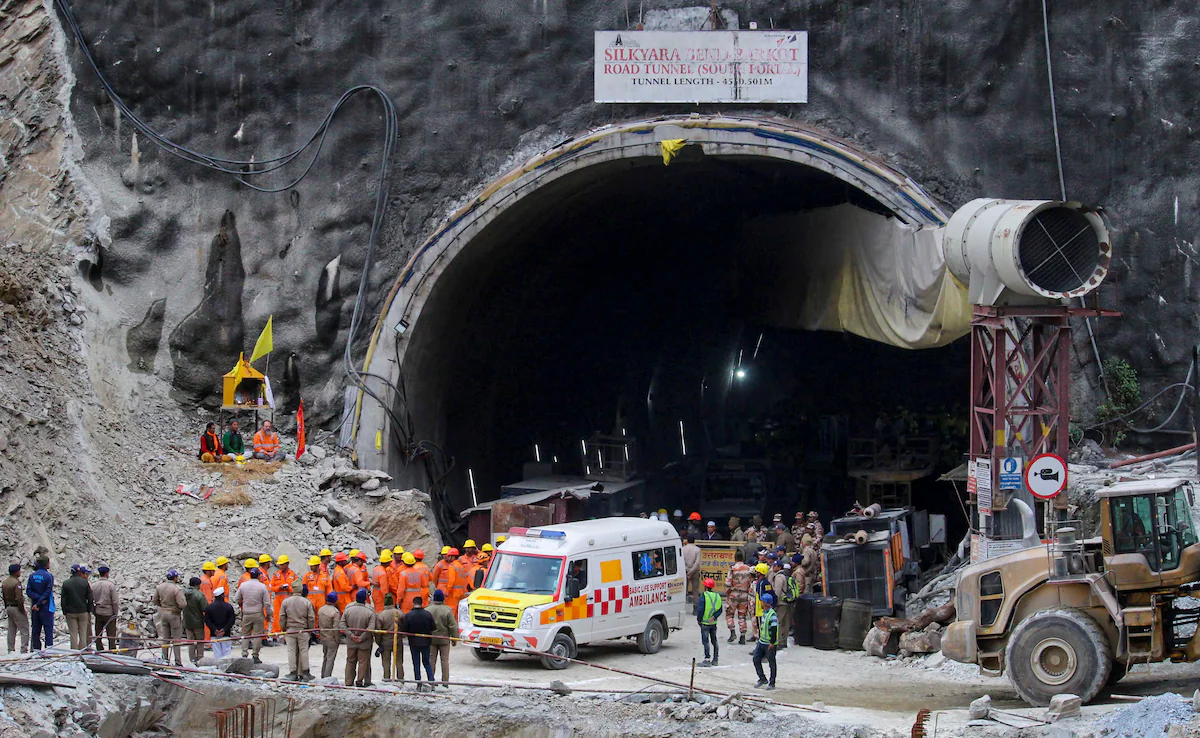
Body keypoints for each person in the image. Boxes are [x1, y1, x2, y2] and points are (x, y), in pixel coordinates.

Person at [280, 583, 316, 681]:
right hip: (303, 630)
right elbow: (311, 618)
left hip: (290, 630)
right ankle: (305, 672)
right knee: (303, 651)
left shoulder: (286, 601)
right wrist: (310, 629)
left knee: (291, 651)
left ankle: (292, 672)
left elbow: (282, 617)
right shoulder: (306, 602)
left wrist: (283, 628)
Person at [341, 589, 376, 687]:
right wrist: (361, 637)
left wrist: (351, 636)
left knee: (350, 661)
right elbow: (371, 628)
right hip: (364, 643)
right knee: (363, 662)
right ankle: (360, 681)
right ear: (365, 599)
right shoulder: (369, 611)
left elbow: (342, 625)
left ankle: (348, 681)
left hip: (351, 642)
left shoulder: (348, 610)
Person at [235, 568, 272, 662]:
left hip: (246, 613)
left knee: (245, 634)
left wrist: (242, 604)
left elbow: (237, 598)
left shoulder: (243, 585)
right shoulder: (262, 586)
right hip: (258, 613)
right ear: (259, 575)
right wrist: (269, 614)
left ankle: (244, 654)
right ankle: (255, 655)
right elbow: (267, 603)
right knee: (257, 635)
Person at [152, 570, 187, 665]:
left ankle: (164, 659)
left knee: (165, 639)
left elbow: (154, 600)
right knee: (176, 639)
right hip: (174, 614)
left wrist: (162, 606)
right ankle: (178, 661)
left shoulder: (160, 587)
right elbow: (183, 604)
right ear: (175, 578)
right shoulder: (176, 589)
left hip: (163, 614)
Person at [427, 589, 459, 687]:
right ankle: (445, 682)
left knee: (431, 660)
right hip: (444, 639)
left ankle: (431, 681)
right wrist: (454, 638)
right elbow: (453, 626)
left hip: (431, 639)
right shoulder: (447, 610)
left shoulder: (428, 610)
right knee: (444, 661)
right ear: (443, 598)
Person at [405, 595, 436, 691]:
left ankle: (418, 682)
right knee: (427, 662)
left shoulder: (409, 615)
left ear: (413, 603)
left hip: (413, 642)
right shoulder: (427, 614)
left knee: (416, 663)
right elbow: (433, 627)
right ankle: (431, 681)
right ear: (422, 603)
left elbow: (405, 630)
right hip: (426, 642)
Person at [62, 564, 93, 651]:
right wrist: (88, 610)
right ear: (79, 572)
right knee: (83, 633)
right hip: (83, 611)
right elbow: (90, 598)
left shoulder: (66, 583)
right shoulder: (85, 582)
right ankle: (82, 651)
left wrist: (65, 611)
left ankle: (74, 653)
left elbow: (63, 599)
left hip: (71, 612)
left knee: (73, 634)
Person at [724, 550, 753, 644]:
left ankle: (732, 632)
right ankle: (742, 636)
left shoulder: (732, 569)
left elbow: (728, 583)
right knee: (742, 616)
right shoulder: (748, 569)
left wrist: (728, 593)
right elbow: (751, 582)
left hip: (734, 594)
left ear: (735, 558)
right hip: (745, 594)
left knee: (729, 614)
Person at [26, 557, 55, 650]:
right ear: (45, 564)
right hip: (46, 606)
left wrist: (36, 602)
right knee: (48, 630)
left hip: (34, 607)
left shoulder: (32, 576)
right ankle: (48, 650)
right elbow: (47, 592)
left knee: (36, 630)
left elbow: (29, 591)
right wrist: (40, 601)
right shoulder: (48, 576)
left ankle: (36, 650)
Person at [374, 593, 404, 682]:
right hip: (397, 641)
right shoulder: (400, 613)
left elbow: (378, 632)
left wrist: (379, 643)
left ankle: (386, 678)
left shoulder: (381, 615)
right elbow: (403, 627)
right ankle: (400, 679)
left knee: (386, 663)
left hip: (385, 641)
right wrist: (400, 636)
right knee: (399, 662)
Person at [753, 592, 779, 690]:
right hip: (762, 641)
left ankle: (772, 683)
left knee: (771, 663)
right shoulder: (764, 613)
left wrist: (772, 643)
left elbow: (774, 629)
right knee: (756, 659)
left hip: (769, 643)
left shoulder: (772, 615)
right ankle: (762, 678)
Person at [3, 563, 29, 654]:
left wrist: (6, 607)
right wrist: (22, 609)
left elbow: (3, 596)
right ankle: (24, 649)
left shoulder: (5, 582)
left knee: (11, 629)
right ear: (16, 572)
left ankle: (10, 649)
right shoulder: (16, 583)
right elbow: (19, 598)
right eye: (19, 570)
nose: (20, 572)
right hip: (16, 607)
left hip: (9, 607)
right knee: (24, 629)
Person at [697, 577, 723, 667]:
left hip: (705, 623)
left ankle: (707, 659)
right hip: (713, 623)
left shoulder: (704, 596)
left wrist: (699, 620)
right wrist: (714, 617)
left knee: (705, 641)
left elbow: (700, 609)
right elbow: (720, 610)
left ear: (705, 587)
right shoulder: (717, 596)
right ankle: (715, 659)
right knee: (714, 640)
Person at [205, 587, 236, 660]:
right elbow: (231, 620)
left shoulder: (209, 607)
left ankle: (219, 668)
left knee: (217, 654)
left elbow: (207, 620)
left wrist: (215, 630)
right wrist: (224, 630)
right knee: (226, 653)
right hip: (226, 634)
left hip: (214, 634)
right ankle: (226, 668)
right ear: (222, 595)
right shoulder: (228, 606)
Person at [183, 576, 208, 665]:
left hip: (186, 622)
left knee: (190, 642)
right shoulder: (199, 595)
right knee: (200, 642)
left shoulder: (183, 593)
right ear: (197, 584)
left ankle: (192, 660)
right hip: (198, 622)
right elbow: (205, 608)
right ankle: (200, 659)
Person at [270, 555, 297, 635]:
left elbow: (297, 588)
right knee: (277, 617)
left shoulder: (293, 575)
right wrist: (279, 587)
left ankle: (288, 635)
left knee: (289, 617)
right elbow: (271, 587)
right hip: (278, 599)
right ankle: (276, 634)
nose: (281, 566)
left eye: (282, 564)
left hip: (289, 599)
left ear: (287, 564)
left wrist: (289, 588)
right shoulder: (276, 575)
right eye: (280, 564)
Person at [317, 593, 341, 678]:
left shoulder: (321, 610)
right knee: (330, 659)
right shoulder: (335, 612)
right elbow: (336, 628)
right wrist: (337, 640)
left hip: (323, 636)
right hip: (331, 638)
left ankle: (323, 675)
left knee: (325, 657)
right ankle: (327, 677)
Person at [771, 561, 794, 649]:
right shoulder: (785, 575)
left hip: (781, 603)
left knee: (779, 622)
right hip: (787, 602)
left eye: (775, 565)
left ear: (779, 567)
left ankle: (780, 641)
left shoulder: (779, 577)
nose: (773, 567)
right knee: (785, 622)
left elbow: (778, 591)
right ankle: (783, 640)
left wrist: (774, 603)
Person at [751, 562, 773, 642]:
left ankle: (760, 649)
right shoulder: (767, 583)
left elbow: (761, 597)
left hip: (760, 611)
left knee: (761, 631)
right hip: (767, 610)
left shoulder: (760, 584)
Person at [682, 536, 701, 603]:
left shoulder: (683, 549)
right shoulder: (697, 549)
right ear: (694, 541)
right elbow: (697, 562)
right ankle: (695, 607)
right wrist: (691, 571)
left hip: (685, 571)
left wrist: (687, 570)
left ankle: (683, 605)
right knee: (695, 590)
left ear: (687, 540)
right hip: (695, 571)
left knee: (684, 589)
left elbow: (682, 561)